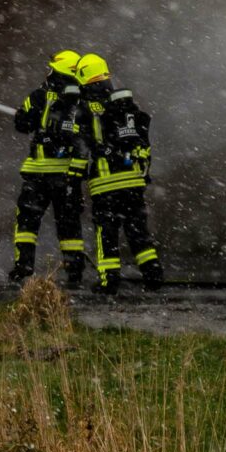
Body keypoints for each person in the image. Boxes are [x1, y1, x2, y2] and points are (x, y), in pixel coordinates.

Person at [75, 54, 162, 293]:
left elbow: (81, 143)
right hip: (133, 182)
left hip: (106, 184)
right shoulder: (126, 106)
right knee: (137, 230)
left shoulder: (87, 107)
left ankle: (108, 280)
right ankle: (153, 273)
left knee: (107, 232)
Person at [10, 50, 86, 286]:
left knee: (27, 222)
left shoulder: (40, 95)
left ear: (58, 69)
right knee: (69, 223)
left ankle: (23, 267)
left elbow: (22, 124)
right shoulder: (83, 102)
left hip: (38, 174)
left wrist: (28, 117)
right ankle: (74, 272)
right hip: (67, 176)